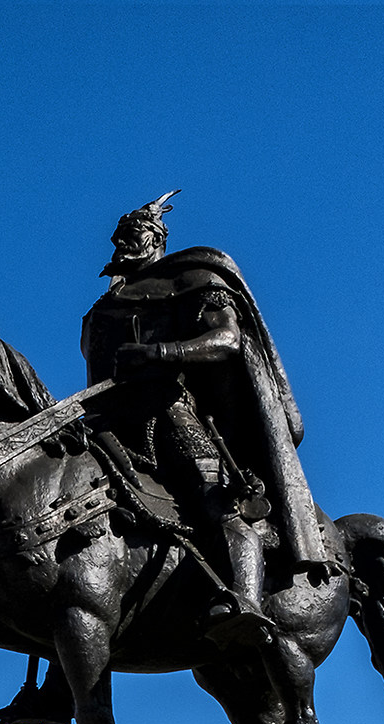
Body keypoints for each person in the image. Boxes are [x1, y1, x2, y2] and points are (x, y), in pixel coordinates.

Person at [80, 191, 338, 649]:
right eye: (118, 236)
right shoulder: (101, 310)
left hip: (172, 415)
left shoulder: (194, 279)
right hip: (107, 420)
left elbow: (226, 340)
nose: (122, 243)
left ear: (156, 238)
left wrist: (160, 352)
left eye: (133, 234)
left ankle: (246, 601)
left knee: (217, 501)